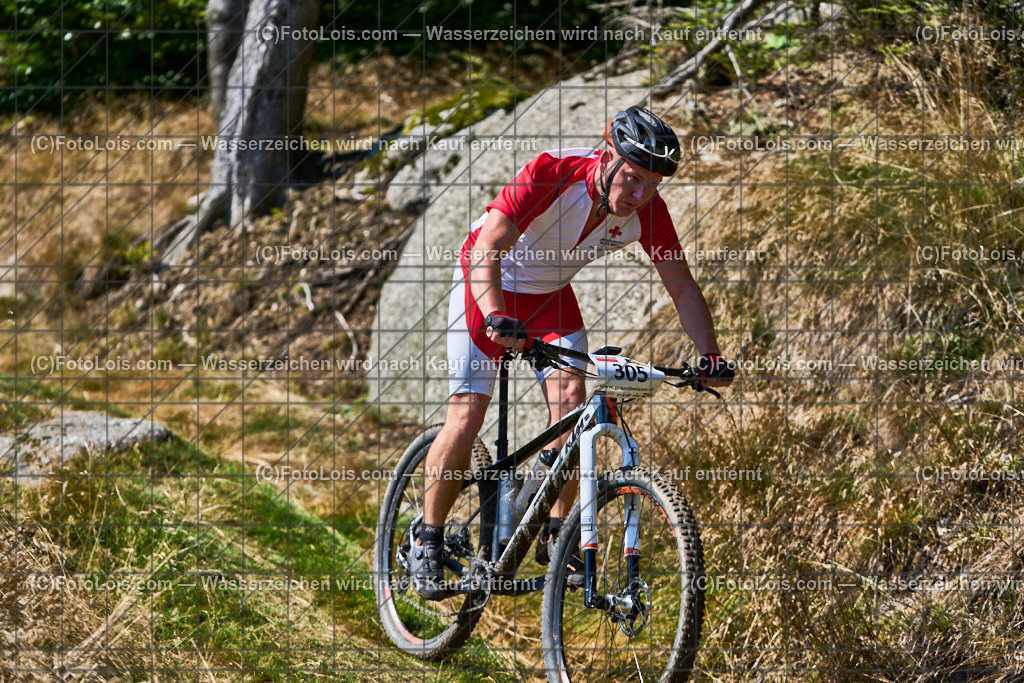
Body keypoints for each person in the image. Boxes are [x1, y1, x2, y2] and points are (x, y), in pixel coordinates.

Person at [408, 106, 735, 599]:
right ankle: (427, 540)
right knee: (467, 415)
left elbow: (683, 289)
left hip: (548, 297)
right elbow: (487, 249)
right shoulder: (551, 172)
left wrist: (709, 355)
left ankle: (556, 535)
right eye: (631, 177)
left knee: (573, 407)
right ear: (607, 157)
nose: (640, 194)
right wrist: (496, 314)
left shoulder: (649, 212)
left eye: (652, 184)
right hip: (488, 284)